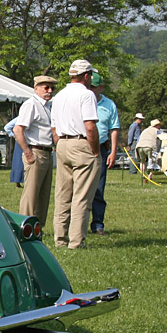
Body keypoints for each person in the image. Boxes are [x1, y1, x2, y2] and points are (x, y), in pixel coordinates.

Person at [50, 59, 99, 249]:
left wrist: (59, 144)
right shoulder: (86, 95)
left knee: (62, 194)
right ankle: (76, 241)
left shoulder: (59, 96)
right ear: (86, 76)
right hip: (81, 143)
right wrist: (94, 149)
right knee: (82, 195)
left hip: (62, 142)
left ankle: (60, 239)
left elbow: (54, 127)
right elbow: (90, 125)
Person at [13, 75, 56, 224]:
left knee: (43, 195)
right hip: (36, 151)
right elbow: (18, 130)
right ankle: (24, 225)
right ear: (36, 88)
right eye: (46, 87)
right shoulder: (31, 105)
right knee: (31, 195)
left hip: (47, 152)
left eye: (52, 88)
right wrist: (28, 153)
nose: (49, 91)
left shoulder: (48, 107)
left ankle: (38, 227)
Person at [89, 72, 120, 235]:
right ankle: (76, 225)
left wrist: (113, 152)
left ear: (101, 87)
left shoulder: (109, 105)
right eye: (89, 86)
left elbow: (114, 129)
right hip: (83, 146)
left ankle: (98, 224)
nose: (91, 90)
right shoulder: (82, 101)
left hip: (101, 148)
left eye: (94, 87)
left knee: (99, 188)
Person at [136, 118, 162, 183]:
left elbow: (138, 139)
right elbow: (161, 138)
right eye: (159, 125)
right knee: (152, 161)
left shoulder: (145, 130)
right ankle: (149, 176)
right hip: (149, 146)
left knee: (142, 161)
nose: (160, 126)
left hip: (140, 146)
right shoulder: (157, 131)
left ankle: (143, 175)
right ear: (156, 125)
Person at [4, 116, 23, 187]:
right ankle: (17, 181)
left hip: (26, 142)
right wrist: (13, 135)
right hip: (21, 142)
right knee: (19, 162)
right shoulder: (19, 118)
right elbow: (7, 127)